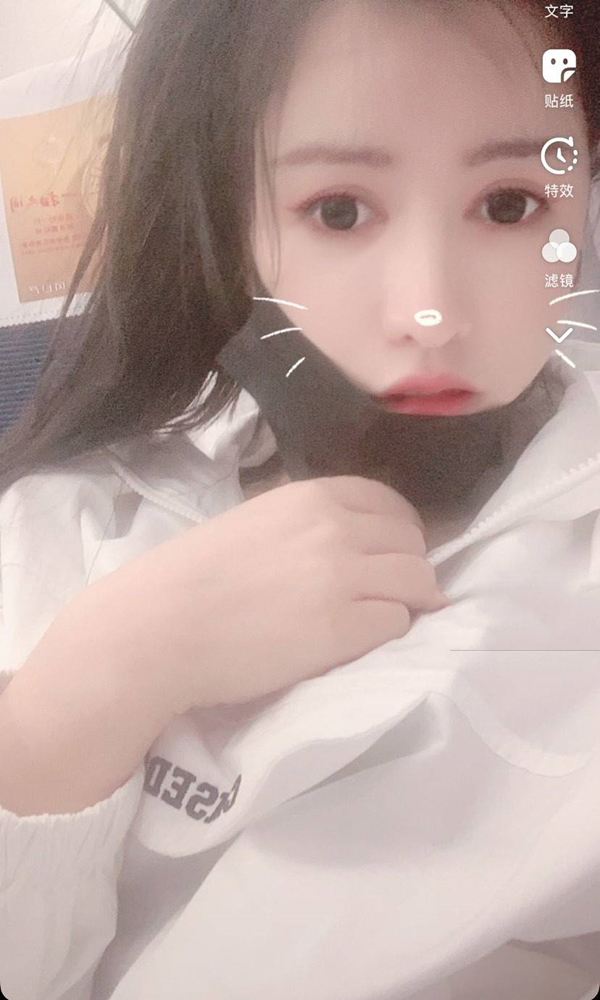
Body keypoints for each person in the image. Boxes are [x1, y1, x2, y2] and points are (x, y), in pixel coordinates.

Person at [1, 0, 600, 997]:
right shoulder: (68, 522)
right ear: (236, 223)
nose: (430, 313)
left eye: (509, 204)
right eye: (339, 211)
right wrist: (88, 687)